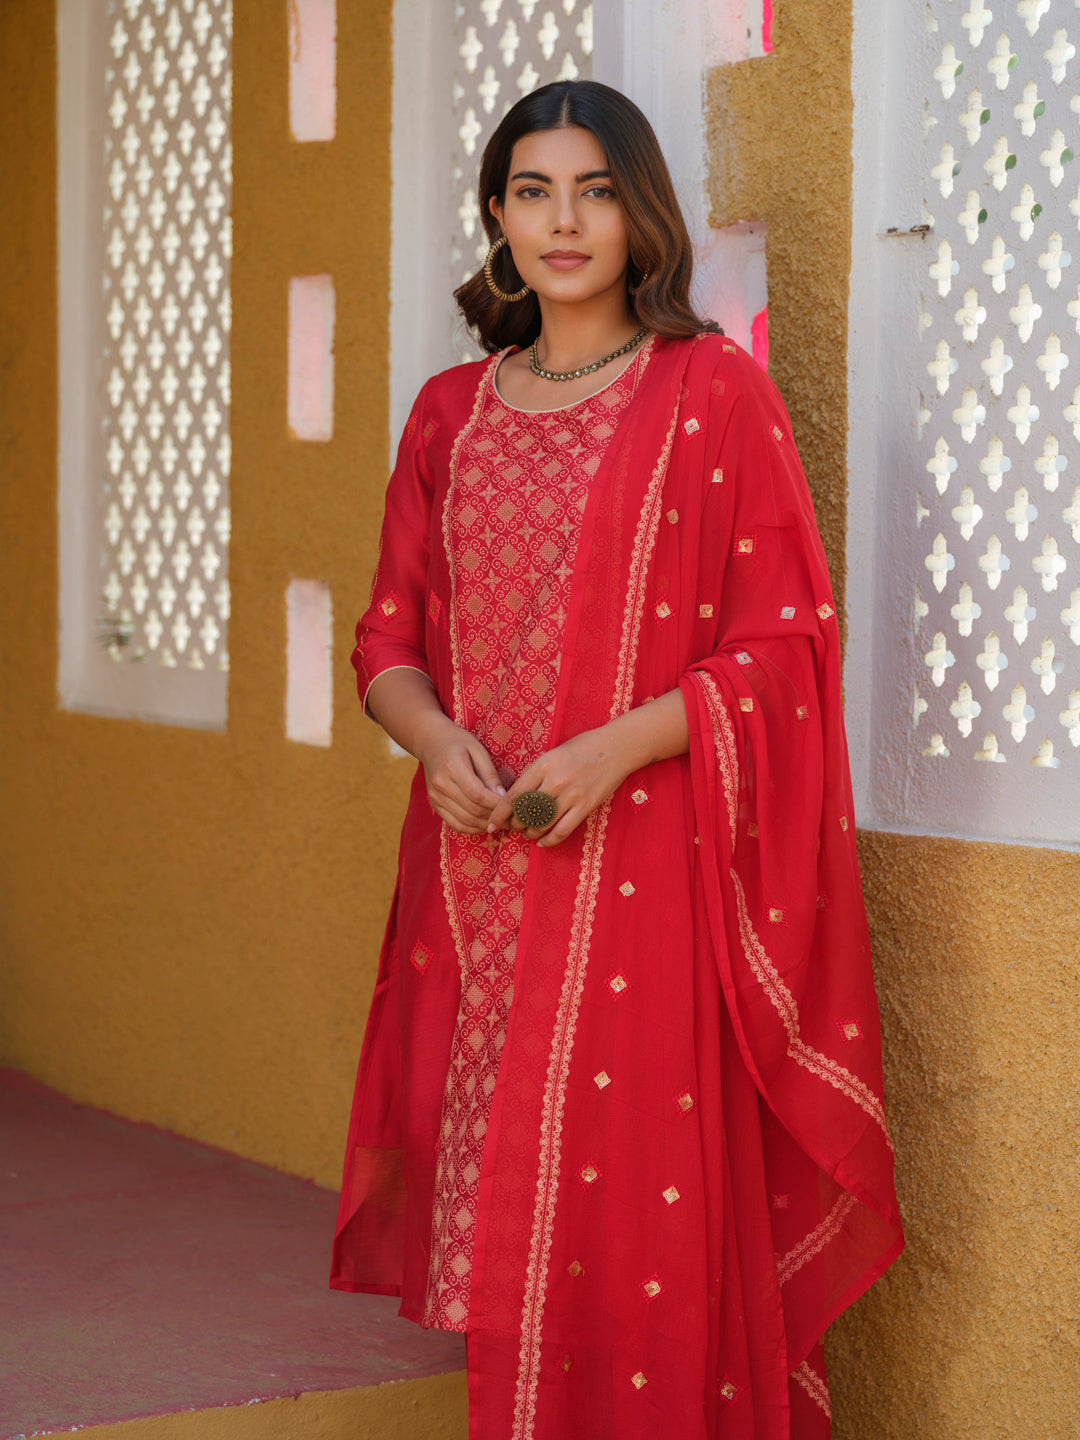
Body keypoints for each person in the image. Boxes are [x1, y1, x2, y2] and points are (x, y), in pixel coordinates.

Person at [331, 79, 903, 1440]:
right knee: (524, 1237)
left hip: (649, 871)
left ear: (641, 213)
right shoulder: (448, 411)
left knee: (640, 1226)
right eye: (533, 191)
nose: (564, 221)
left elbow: (787, 649)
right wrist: (434, 741)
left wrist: (611, 752)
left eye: (594, 189)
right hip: (484, 875)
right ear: (496, 217)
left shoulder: (714, 392)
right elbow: (386, 638)